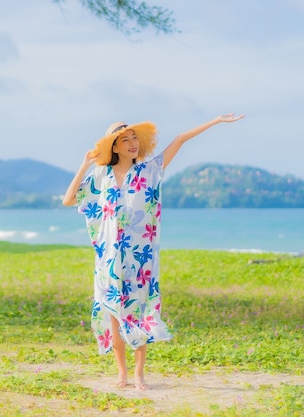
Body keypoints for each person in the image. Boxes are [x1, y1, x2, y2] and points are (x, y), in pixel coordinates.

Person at [62, 113, 244, 391]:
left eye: (135, 137)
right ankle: (121, 373)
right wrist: (85, 163)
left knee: (139, 313)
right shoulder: (101, 175)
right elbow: (69, 199)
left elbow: (180, 138)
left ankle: (139, 374)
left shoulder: (148, 170)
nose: (133, 143)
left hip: (140, 258)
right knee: (115, 314)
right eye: (126, 139)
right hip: (109, 258)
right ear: (114, 146)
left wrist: (216, 121)